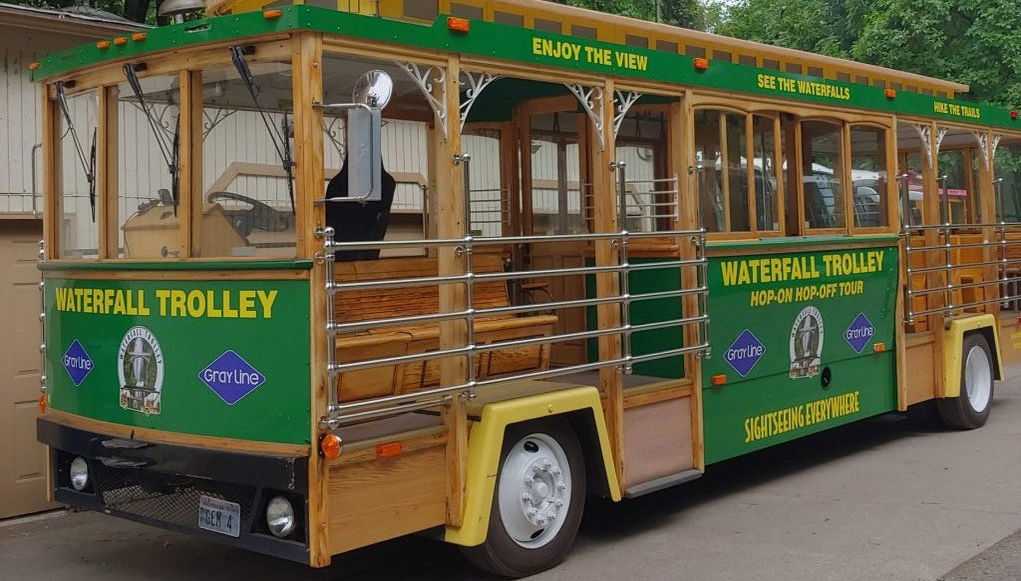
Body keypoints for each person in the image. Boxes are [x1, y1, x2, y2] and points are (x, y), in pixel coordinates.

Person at [325, 157, 397, 261]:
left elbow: (381, 222)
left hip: (365, 237)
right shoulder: (338, 184)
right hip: (344, 240)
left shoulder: (386, 183)